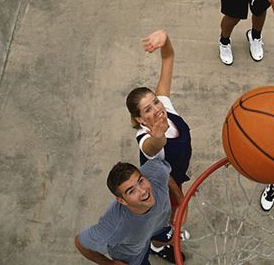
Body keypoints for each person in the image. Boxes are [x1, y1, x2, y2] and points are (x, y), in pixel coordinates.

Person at [125, 30, 191, 239]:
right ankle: (159, 243)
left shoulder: (166, 106)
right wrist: (181, 199)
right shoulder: (145, 140)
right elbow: (155, 146)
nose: (157, 108)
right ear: (140, 120)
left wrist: (165, 39)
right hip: (162, 186)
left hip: (175, 174)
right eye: (147, 110)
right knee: (163, 217)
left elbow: (168, 57)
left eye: (155, 101)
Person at [74, 158, 184, 264]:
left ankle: (156, 248)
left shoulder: (155, 171)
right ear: (122, 200)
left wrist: (182, 203)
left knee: (167, 238)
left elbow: (166, 174)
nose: (143, 191)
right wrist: (109, 263)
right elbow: (80, 243)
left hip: (159, 225)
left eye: (141, 181)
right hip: (134, 255)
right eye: (132, 191)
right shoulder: (114, 226)